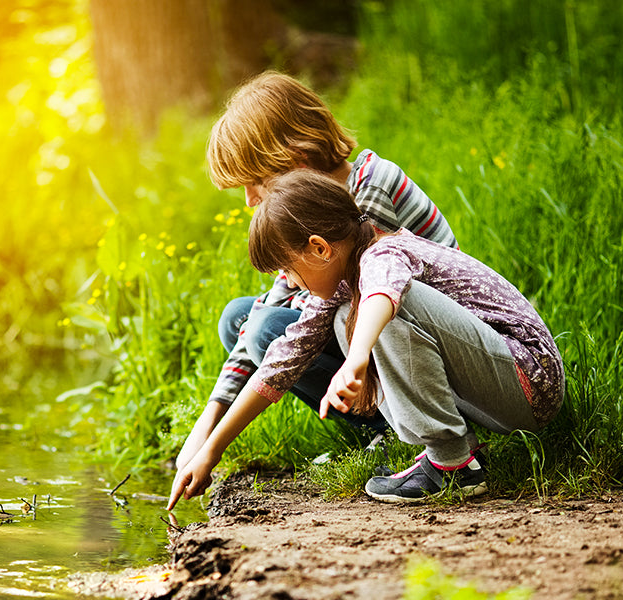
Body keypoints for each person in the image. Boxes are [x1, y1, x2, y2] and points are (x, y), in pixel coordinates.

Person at [168, 171, 564, 507]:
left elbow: (382, 298)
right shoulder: (342, 282)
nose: (288, 282)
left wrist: (356, 360)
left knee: (382, 310)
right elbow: (280, 363)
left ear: (319, 248)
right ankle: (457, 452)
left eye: (288, 269)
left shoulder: (384, 252)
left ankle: (453, 464)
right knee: (345, 316)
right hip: (492, 389)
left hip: (529, 381)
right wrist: (211, 450)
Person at [171, 71, 459, 489]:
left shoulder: (367, 192)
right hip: (376, 334)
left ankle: (412, 425)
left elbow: (306, 327)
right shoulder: (312, 209)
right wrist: (206, 424)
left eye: (256, 182)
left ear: (296, 163)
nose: (250, 199)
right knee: (241, 319)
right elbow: (269, 306)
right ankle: (380, 430)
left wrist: (215, 446)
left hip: (431, 349)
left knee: (274, 332)